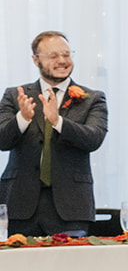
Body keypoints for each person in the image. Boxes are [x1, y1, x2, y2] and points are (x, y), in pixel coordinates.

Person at [0, 31, 109, 237]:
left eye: (66, 55)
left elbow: (94, 138)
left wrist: (58, 121)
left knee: (71, 268)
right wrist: (22, 119)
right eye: (53, 56)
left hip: (71, 205)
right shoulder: (15, 95)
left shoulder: (92, 98)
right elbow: (2, 141)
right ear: (36, 60)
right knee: (21, 268)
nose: (62, 61)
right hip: (20, 204)